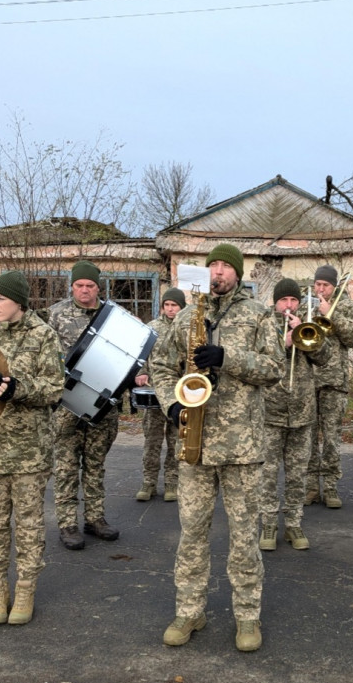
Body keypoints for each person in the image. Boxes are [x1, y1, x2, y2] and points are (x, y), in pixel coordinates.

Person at [151, 242, 283, 652]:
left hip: (242, 447)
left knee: (244, 537)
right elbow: (159, 364)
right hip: (196, 444)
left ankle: (247, 616)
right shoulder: (188, 315)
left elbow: (274, 368)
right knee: (192, 534)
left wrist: (226, 356)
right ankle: (190, 610)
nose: (219, 272)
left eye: (226, 266)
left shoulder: (259, 314)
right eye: (214, 266)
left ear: (239, 273)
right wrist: (172, 404)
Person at [0, 270, 64, 627]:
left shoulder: (43, 336)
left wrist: (18, 389)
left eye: (0, 299)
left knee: (27, 524)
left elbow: (55, 388)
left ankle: (25, 588)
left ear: (19, 302)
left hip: (29, 451)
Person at [46, 261, 121, 551]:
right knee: (65, 467)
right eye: (80, 285)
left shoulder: (111, 316)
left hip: (103, 402)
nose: (85, 290)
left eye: (90, 286)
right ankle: (67, 524)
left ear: (97, 287)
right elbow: (45, 353)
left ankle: (95, 519)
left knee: (95, 465)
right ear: (72, 286)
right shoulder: (55, 314)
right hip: (67, 404)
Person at [259, 279, 330, 552]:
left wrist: (305, 335)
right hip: (271, 411)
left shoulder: (306, 323)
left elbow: (324, 359)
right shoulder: (264, 324)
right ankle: (268, 523)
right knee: (268, 473)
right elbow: (258, 360)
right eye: (283, 300)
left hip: (302, 413)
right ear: (275, 302)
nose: (288, 305)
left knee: (297, 473)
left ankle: (294, 523)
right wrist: (284, 343)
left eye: (293, 300)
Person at [304, 265, 353, 509]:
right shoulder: (306, 304)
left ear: (334, 286)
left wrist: (332, 313)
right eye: (317, 284)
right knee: (307, 438)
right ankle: (310, 487)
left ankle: (330, 487)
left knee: (331, 439)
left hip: (334, 381)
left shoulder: (347, 306)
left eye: (325, 285)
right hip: (307, 381)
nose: (320, 289)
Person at [134, 287, 186, 502]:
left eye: (174, 305)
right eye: (167, 305)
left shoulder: (186, 328)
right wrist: (141, 372)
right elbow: (140, 354)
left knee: (176, 440)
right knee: (152, 441)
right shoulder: (152, 328)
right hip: (155, 393)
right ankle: (148, 483)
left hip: (179, 393)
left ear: (181, 307)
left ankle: (172, 482)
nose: (170, 309)